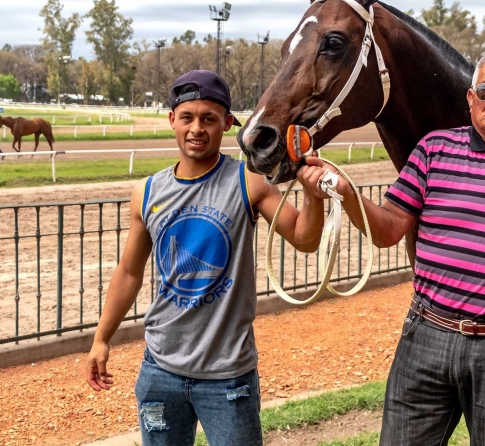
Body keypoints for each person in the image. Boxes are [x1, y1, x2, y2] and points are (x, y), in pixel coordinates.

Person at [303, 49, 485, 445]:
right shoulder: (433, 151)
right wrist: (345, 190)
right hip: (427, 339)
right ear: (472, 99)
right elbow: (388, 229)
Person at [84, 70, 331, 446]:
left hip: (228, 378)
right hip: (160, 371)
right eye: (187, 117)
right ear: (172, 121)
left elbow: (304, 238)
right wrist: (102, 338)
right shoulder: (146, 192)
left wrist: (313, 196)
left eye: (209, 118)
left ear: (227, 123)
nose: (196, 128)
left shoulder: (248, 180)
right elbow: (129, 272)